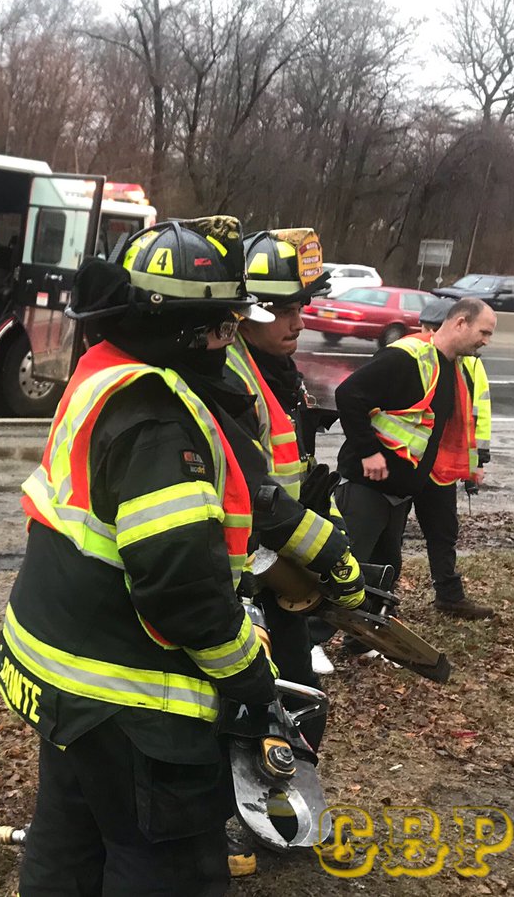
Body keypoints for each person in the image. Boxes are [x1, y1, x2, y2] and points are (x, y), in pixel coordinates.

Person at [0, 217, 363, 896]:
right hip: (134, 706)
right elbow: (182, 593)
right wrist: (251, 678)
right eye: (222, 325)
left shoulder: (106, 370)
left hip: (64, 682)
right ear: (191, 330)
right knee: (165, 867)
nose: (229, 338)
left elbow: (243, 502)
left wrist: (325, 546)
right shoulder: (161, 418)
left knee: (67, 847)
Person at [225, 228, 342, 738]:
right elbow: (243, 493)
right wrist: (322, 553)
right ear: (246, 311)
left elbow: (291, 472)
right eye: (284, 309)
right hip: (244, 569)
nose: (299, 321)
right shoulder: (230, 377)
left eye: (303, 306)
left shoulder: (277, 368)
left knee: (299, 698)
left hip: (280, 554)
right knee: (254, 703)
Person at [333, 296, 496, 619]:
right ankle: (312, 641)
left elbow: (450, 428)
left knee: (386, 567)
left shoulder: (455, 366)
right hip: (369, 483)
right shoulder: (408, 359)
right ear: (460, 322)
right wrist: (368, 452)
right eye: (484, 332)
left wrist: (471, 465)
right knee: (346, 563)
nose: (487, 341)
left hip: (402, 488)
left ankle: (364, 639)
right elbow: (348, 394)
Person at [409, 298, 494, 618]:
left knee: (443, 532)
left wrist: (476, 462)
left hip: (442, 465)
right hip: (407, 462)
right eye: (425, 328)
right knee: (384, 540)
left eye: (430, 328)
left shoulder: (470, 364)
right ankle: (375, 601)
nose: (426, 333)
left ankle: (449, 595)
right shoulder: (409, 353)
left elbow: (477, 414)